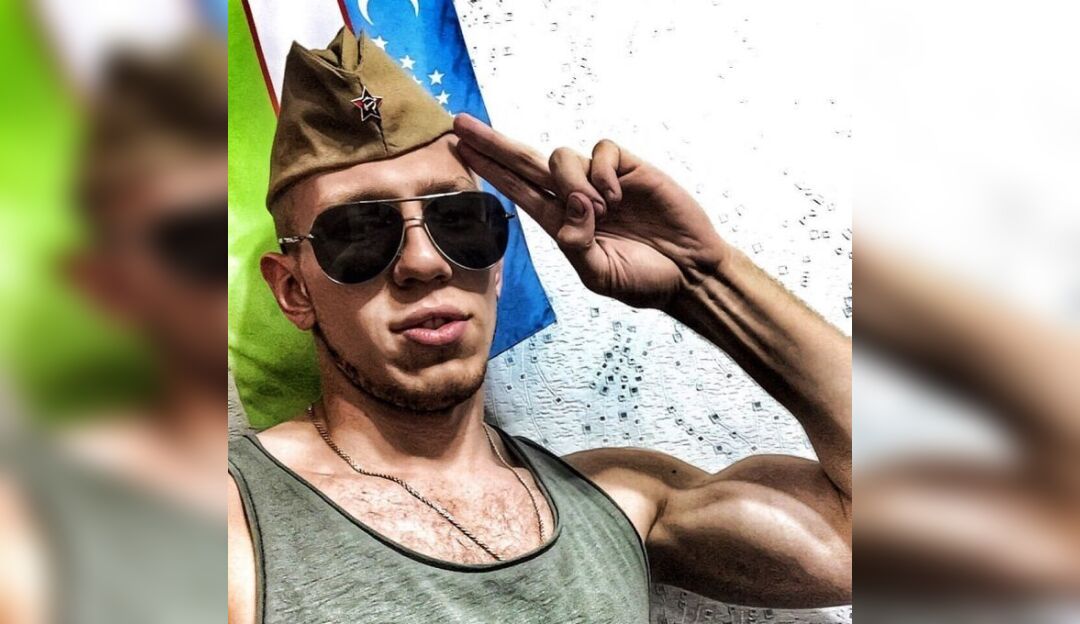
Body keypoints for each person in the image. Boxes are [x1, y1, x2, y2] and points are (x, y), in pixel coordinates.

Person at [227, 28, 851, 623]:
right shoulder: (224, 526)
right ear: (294, 290)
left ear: (499, 264)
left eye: (459, 221)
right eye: (359, 232)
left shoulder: (620, 500)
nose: (424, 262)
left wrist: (703, 279)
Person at [0, 38, 227, 623]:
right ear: (106, 284)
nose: (229, 268)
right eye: (198, 240)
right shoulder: (28, 524)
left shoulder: (343, 467)